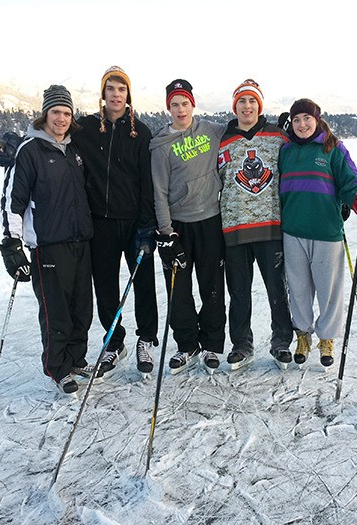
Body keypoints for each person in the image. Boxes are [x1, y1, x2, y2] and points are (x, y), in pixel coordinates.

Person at [0, 85, 94, 394]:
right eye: (56, 112)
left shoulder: (73, 149)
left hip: (80, 241)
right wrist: (12, 244)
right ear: (44, 115)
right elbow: (13, 201)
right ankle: (58, 367)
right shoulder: (29, 151)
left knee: (81, 308)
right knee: (57, 312)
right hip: (49, 245)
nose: (61, 119)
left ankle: (77, 358)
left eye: (67, 113)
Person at [278, 98, 357, 368]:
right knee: (298, 289)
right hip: (292, 230)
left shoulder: (332, 148)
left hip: (326, 231)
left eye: (307, 119)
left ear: (317, 119)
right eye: (297, 119)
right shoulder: (285, 151)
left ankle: (327, 338)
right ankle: (303, 335)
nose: (302, 124)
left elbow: (350, 182)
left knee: (329, 290)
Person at [74, 66, 159, 379]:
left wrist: (147, 226)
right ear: (103, 94)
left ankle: (147, 338)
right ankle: (114, 343)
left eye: (121, 89)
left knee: (144, 284)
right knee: (106, 287)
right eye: (111, 89)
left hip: (135, 222)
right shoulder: (84, 129)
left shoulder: (141, 133)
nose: (116, 95)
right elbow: (51, 136)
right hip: (101, 223)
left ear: (128, 95)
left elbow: (147, 183)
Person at [150, 79, 228, 375]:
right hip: (178, 227)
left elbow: (244, 130)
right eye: (174, 105)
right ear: (168, 108)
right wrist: (166, 231)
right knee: (178, 291)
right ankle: (186, 345)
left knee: (212, 287)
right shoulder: (160, 146)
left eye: (184, 103)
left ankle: (210, 344)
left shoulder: (211, 130)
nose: (180, 110)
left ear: (193, 104)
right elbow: (158, 191)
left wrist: (278, 128)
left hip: (210, 220)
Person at [217, 79, 293, 370]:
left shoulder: (277, 136)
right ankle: (241, 345)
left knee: (276, 288)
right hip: (234, 228)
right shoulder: (223, 140)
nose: (247, 107)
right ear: (234, 106)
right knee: (238, 292)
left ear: (259, 105)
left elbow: (300, 159)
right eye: (241, 102)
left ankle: (281, 341)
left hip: (270, 227)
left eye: (252, 102)